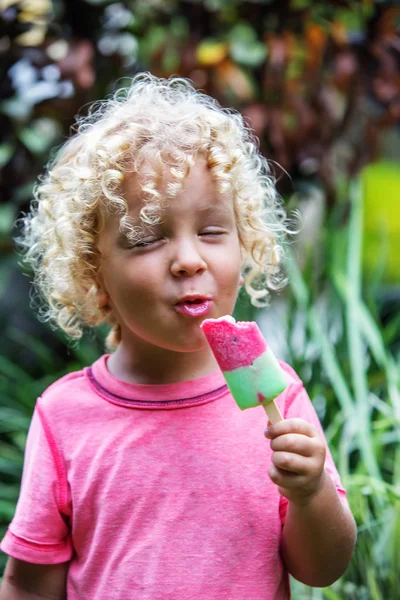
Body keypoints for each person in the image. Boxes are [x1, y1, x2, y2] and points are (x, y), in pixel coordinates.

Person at [0, 73, 356, 600]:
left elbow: (322, 568)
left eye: (212, 230)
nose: (189, 260)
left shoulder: (274, 396)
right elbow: (29, 586)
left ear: (245, 240)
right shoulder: (64, 416)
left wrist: (310, 493)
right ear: (95, 274)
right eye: (147, 238)